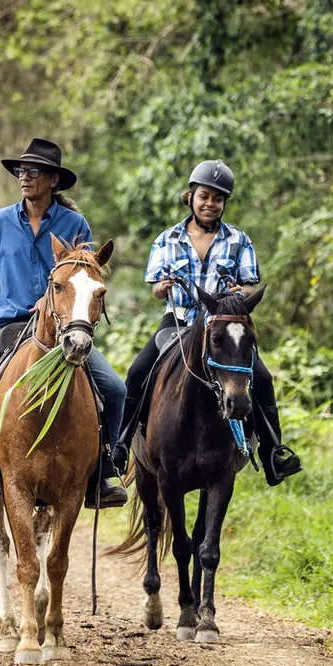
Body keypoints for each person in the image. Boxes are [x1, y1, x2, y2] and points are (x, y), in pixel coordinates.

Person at [0, 138, 129, 509]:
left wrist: (54, 301)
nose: (25, 178)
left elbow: (86, 275)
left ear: (53, 180)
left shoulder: (75, 224)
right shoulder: (1, 222)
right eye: (22, 171)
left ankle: (105, 471)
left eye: (33, 172)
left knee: (116, 389)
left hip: (63, 331)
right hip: (9, 327)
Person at [121, 160, 301, 485]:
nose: (210, 203)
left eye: (218, 199)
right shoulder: (167, 239)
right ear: (190, 196)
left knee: (262, 377)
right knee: (137, 372)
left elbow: (249, 284)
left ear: (224, 203)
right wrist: (160, 288)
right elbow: (154, 287)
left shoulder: (239, 240)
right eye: (204, 196)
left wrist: (239, 291)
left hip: (222, 328)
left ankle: (273, 453)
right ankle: (118, 449)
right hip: (178, 324)